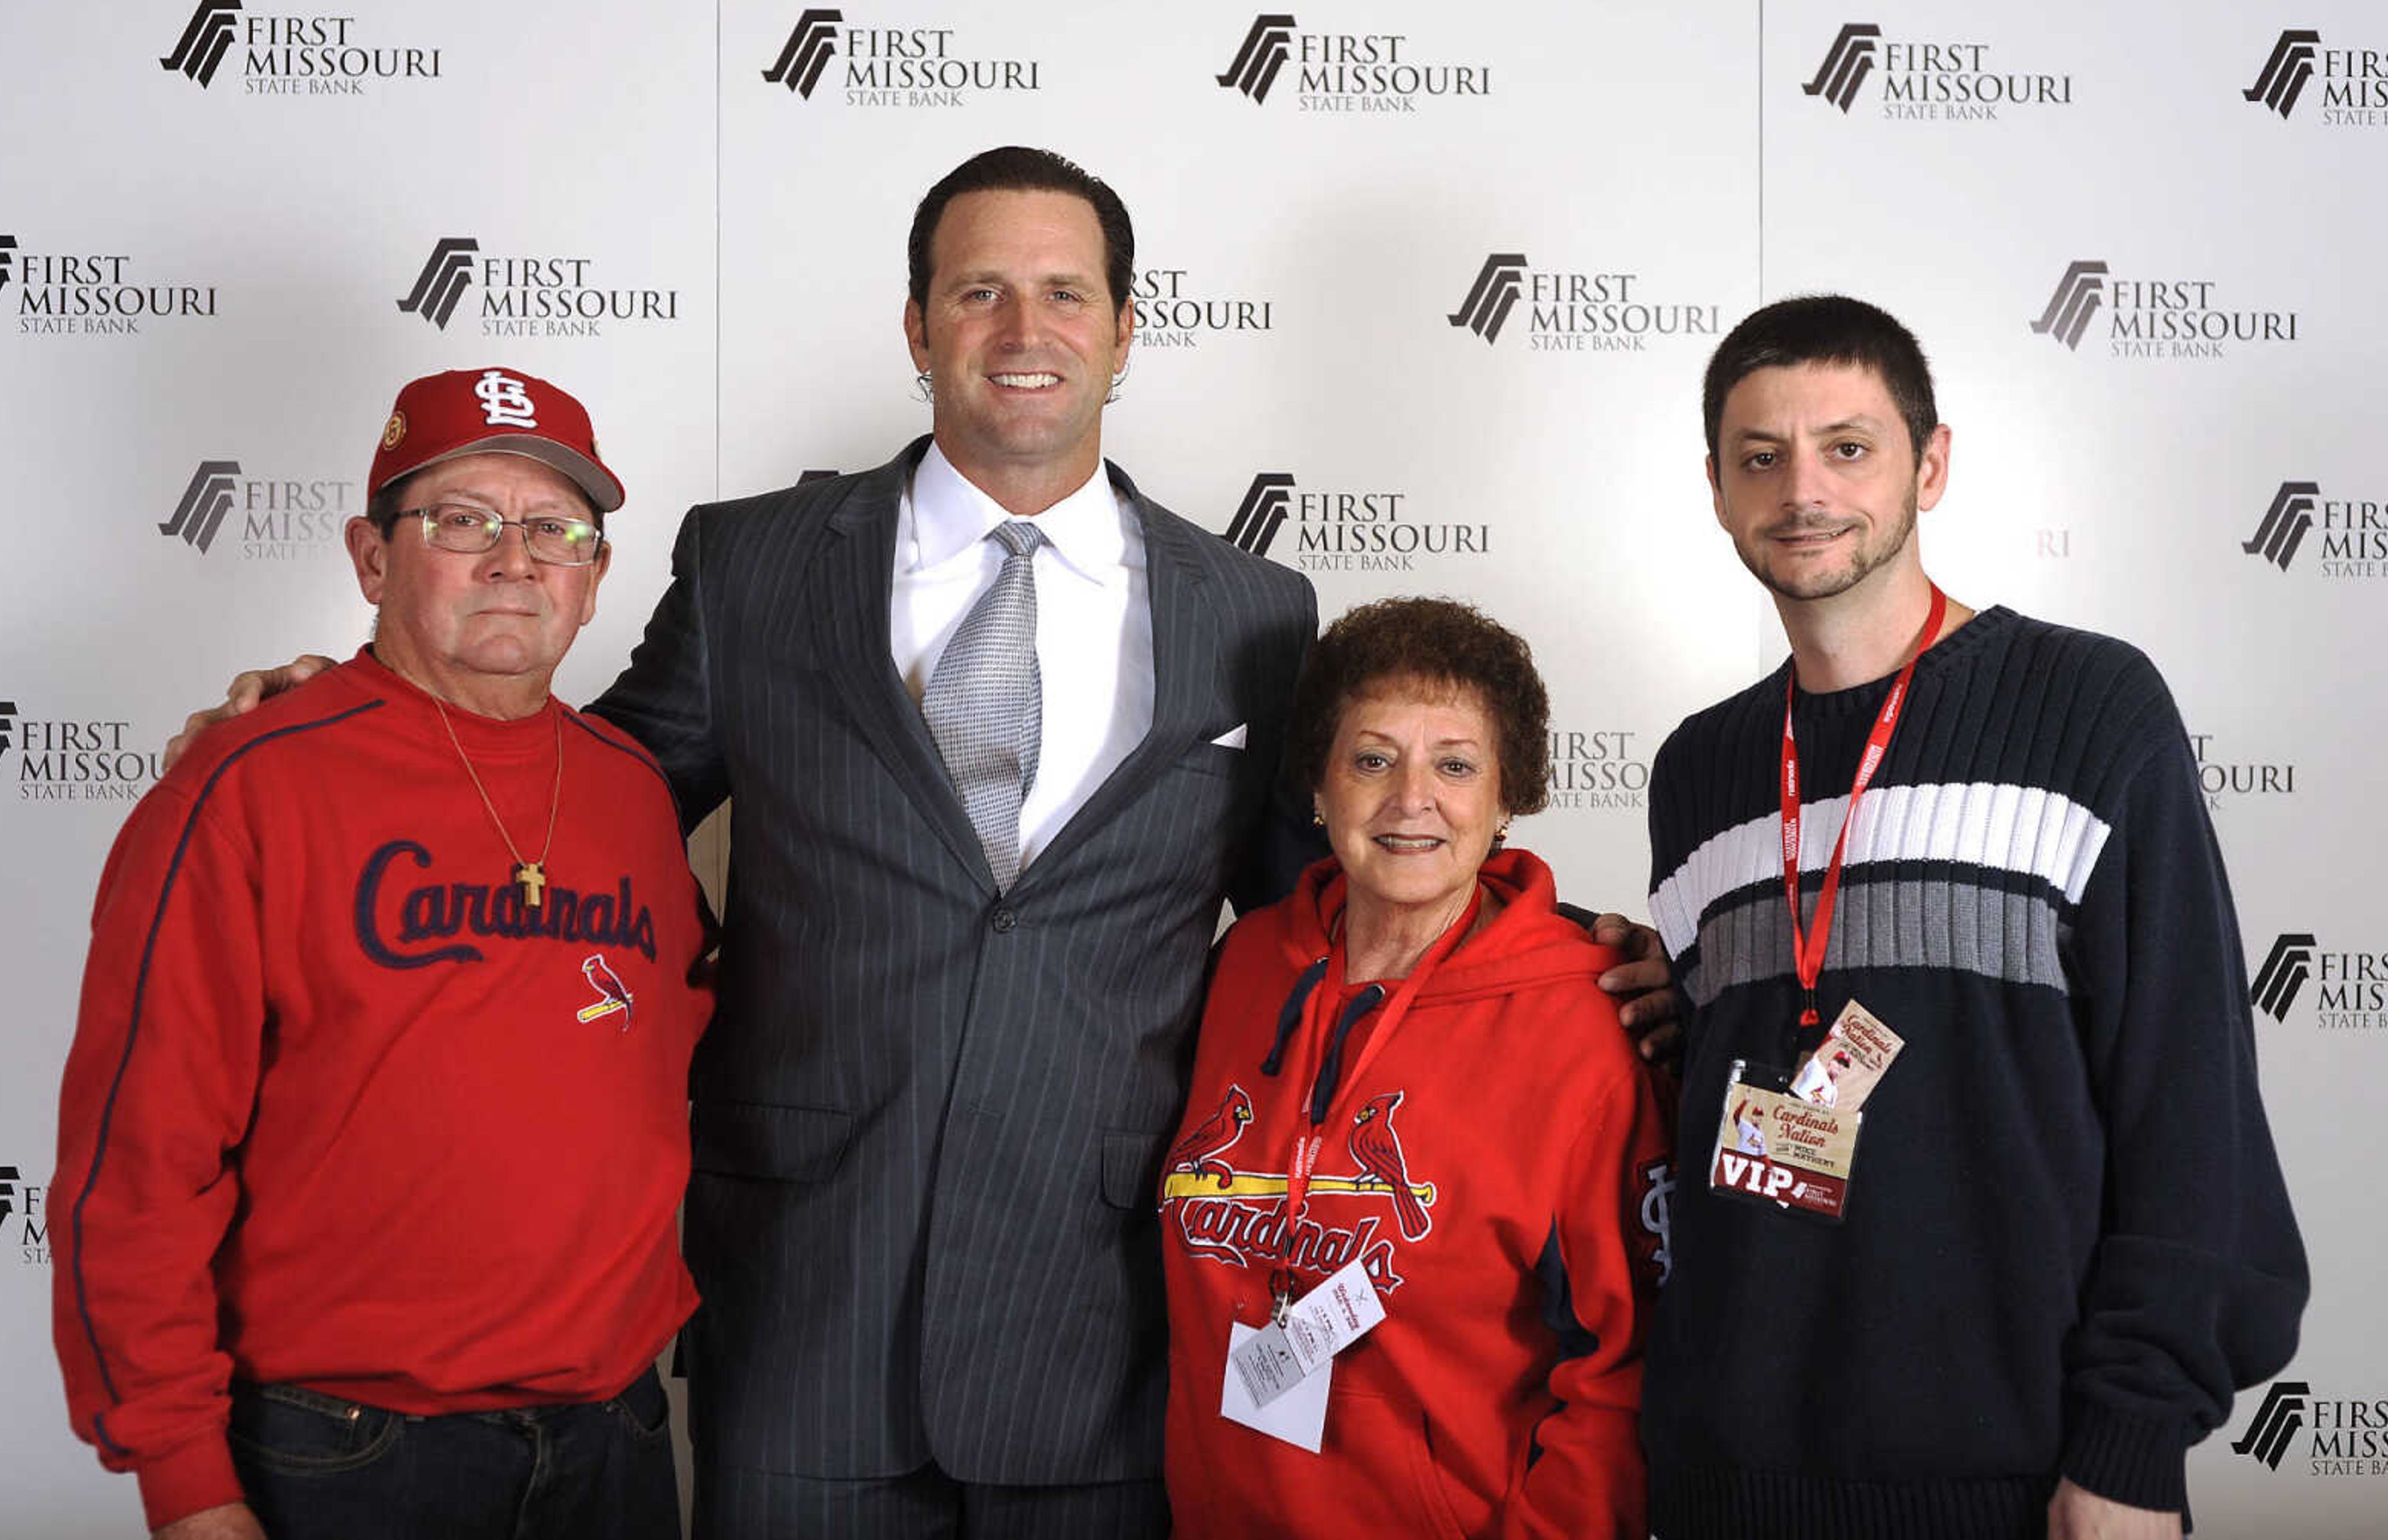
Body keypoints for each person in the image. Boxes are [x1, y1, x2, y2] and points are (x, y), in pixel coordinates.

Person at [163, 148, 1679, 1538]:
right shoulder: (753, 564)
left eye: (1065, 289)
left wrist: (1562, 954)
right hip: (803, 1315)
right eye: (979, 288)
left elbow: (1341, 901)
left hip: (1096, 1334)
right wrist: (382, 717)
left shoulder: (1252, 610)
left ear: (1127, 330)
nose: (1025, 324)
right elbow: (583, 795)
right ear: (917, 326)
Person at [1640, 295, 2307, 1539]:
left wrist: (2131, 1445)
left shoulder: (2089, 705)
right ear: (1719, 487)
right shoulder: (1701, 768)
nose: (1803, 490)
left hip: (2021, 1481)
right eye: (1760, 456)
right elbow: (1727, 1084)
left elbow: (2188, 1103)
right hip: (1724, 1478)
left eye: (1849, 445)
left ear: (1928, 463)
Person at [48, 367, 713, 1540]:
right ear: (371, 558)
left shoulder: (634, 794)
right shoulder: (249, 784)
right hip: (343, 1455)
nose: (516, 558)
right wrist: (187, 1488)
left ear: (596, 574)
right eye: (462, 520)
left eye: (555, 528)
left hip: (614, 1442)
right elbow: (137, 1166)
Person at [1160, 597, 1669, 1539]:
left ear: (1508, 793)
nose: (1410, 799)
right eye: (1372, 758)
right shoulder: (1242, 966)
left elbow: (1621, 1379)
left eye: (1456, 764)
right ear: (1319, 784)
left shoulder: (1581, 1025)